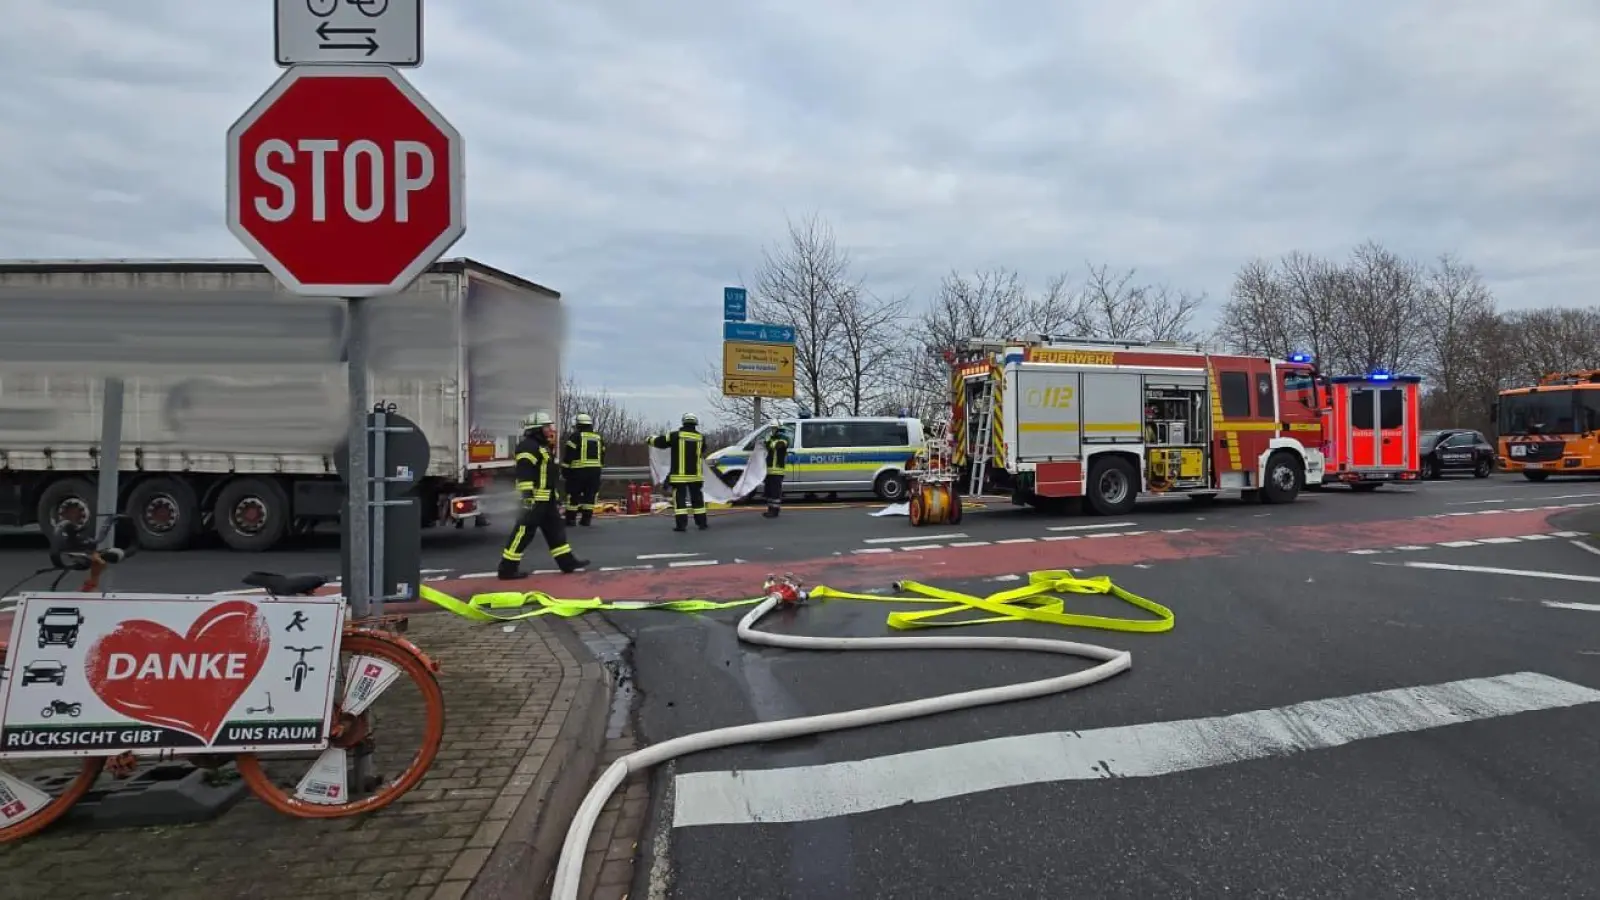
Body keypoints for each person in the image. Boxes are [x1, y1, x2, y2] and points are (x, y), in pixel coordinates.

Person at [498, 411, 589, 580]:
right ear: (537, 429)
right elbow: (525, 473)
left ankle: (567, 562)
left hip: (546, 499)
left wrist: (554, 496)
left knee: (555, 531)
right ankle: (507, 569)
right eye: (547, 427)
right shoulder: (528, 447)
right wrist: (527, 497)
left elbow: (547, 474)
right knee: (523, 533)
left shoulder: (542, 447)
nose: (550, 429)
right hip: (534, 500)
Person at [650, 413, 708, 531]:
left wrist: (649, 439)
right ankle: (702, 523)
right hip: (695, 476)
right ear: (695, 423)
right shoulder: (700, 437)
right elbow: (703, 449)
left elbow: (660, 442)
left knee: (680, 500)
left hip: (679, 477)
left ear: (683, 422)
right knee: (698, 500)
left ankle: (681, 525)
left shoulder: (675, 436)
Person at [561, 413, 605, 527]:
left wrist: (565, 469)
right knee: (590, 495)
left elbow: (569, 454)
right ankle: (586, 519)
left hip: (578, 471)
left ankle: (570, 520)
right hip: (595, 472)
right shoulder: (598, 437)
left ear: (578, 425)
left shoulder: (576, 437)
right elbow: (603, 453)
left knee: (573, 495)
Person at [762, 423, 790, 518]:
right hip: (769, 471)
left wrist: (768, 442)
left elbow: (776, 446)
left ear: (778, 429)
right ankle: (770, 509)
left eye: (774, 428)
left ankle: (775, 511)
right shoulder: (771, 438)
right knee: (769, 492)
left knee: (775, 492)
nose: (772, 430)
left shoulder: (784, 439)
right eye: (772, 428)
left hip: (777, 471)